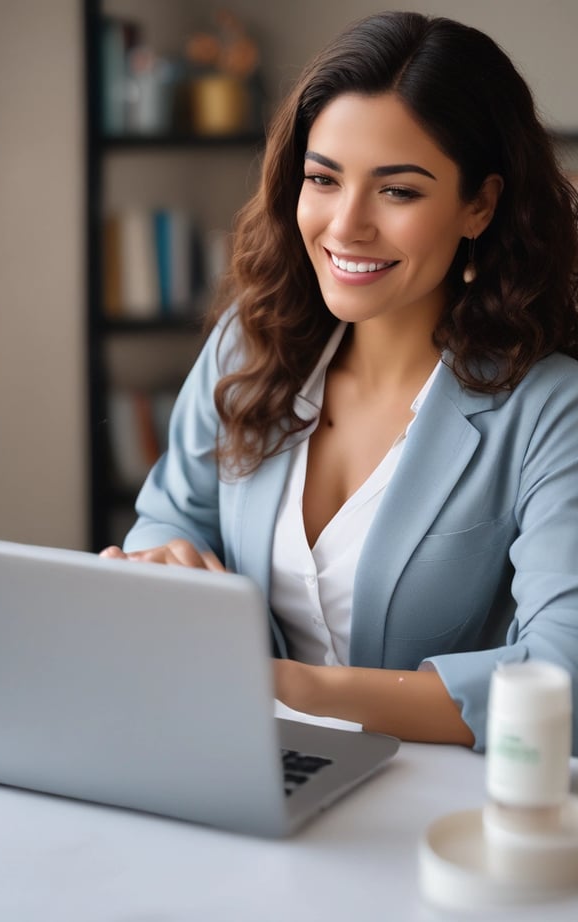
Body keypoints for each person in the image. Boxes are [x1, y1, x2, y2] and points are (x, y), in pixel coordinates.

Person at [101, 11, 578, 752]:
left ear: (479, 204)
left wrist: (293, 689)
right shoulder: (246, 348)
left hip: (437, 812)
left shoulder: (551, 410)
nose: (345, 225)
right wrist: (164, 559)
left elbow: (562, 678)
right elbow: (171, 516)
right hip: (231, 760)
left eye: (398, 192)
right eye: (323, 179)